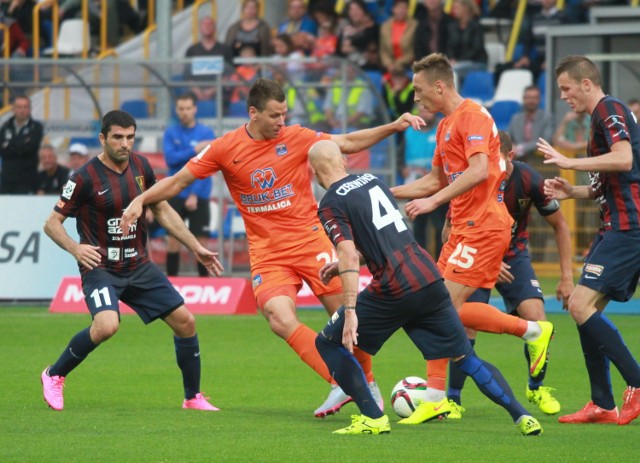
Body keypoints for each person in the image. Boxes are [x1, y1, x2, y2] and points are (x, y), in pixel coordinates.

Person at [120, 78, 426, 418]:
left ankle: (365, 384)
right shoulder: (225, 147)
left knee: (344, 320)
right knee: (279, 319)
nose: (281, 122)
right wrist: (140, 201)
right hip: (268, 253)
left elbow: (348, 142)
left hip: (312, 241)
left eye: (284, 114)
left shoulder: (296, 137)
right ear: (253, 113)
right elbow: (178, 180)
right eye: (275, 115)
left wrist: (395, 125)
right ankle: (346, 382)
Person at [309, 139, 542, 436]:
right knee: (466, 357)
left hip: (393, 286)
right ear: (343, 161)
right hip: (427, 275)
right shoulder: (373, 181)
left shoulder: (329, 203)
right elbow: (384, 239)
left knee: (328, 342)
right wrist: (345, 264)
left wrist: (351, 309)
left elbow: (349, 252)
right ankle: (522, 417)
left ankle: (373, 417)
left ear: (316, 173)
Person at [391, 53, 554, 424]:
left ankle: (530, 331)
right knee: (439, 307)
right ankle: (528, 333)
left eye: (418, 90)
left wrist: (432, 201)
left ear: (439, 85)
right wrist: (385, 192)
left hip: (483, 226)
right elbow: (434, 180)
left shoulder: (474, 116)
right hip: (464, 227)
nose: (416, 98)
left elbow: (479, 170)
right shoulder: (446, 124)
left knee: (437, 308)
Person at [40, 110, 224, 412]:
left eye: (130, 137)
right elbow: (52, 223)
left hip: (138, 266)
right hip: (100, 268)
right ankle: (54, 374)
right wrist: (76, 249)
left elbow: (163, 210)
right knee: (107, 325)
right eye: (117, 137)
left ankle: (192, 398)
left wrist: (195, 246)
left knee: (186, 322)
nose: (125, 144)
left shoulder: (141, 166)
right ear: (103, 139)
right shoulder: (83, 177)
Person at [538, 55, 640, 426]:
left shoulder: (608, 109)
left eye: (566, 88)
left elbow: (625, 159)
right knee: (583, 310)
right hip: (616, 224)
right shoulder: (599, 119)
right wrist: (572, 192)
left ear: (585, 83)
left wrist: (569, 162)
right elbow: (607, 182)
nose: (564, 96)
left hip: (628, 227)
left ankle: (637, 382)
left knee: (581, 306)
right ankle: (602, 402)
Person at [446, 130, 573, 418]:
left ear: (510, 156)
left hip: (513, 256)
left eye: (496, 159)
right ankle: (453, 398)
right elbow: (450, 229)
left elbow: (561, 226)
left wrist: (567, 277)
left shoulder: (530, 180)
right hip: (475, 255)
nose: (490, 166)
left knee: (538, 317)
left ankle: (537, 387)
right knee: (463, 321)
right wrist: (483, 260)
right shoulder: (473, 178)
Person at [162, 92, 217, 277]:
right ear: (177, 110)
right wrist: (195, 149)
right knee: (173, 239)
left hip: (199, 195)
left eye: (188, 108)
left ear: (195, 109)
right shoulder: (171, 133)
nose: (184, 112)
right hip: (175, 194)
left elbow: (207, 166)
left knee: (201, 242)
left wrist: (194, 193)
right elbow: (170, 160)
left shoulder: (206, 133)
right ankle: (171, 284)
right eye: (181, 109)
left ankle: (205, 285)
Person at [401, 108, 447, 257]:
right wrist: (403, 168)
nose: (424, 114)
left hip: (438, 187)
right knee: (418, 227)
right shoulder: (409, 132)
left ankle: (440, 263)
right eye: (421, 111)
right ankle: (420, 262)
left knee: (440, 226)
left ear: (434, 112)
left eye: (428, 111)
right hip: (416, 185)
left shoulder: (441, 131)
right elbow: (399, 154)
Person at [183, 16, 234, 103]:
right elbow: (187, 75)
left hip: (219, 90)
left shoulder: (225, 49)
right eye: (204, 24)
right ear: (200, 28)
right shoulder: (191, 50)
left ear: (214, 28)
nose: (207, 26)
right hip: (196, 91)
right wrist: (196, 90)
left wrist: (213, 90)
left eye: (210, 24)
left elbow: (230, 74)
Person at [0, 95, 44, 194]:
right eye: (19, 107)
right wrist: (22, 143)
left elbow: (30, 148)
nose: (22, 110)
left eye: (25, 107)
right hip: (7, 180)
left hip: (27, 180)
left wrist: (10, 145)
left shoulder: (36, 127)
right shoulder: (5, 127)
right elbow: (3, 151)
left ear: (30, 109)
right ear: (13, 109)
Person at [445, 0, 487, 85]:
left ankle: (456, 95)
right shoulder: (452, 26)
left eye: (456, 8)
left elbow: (476, 49)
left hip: (476, 62)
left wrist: (458, 60)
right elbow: (449, 46)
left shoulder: (476, 26)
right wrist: (451, 58)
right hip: (457, 62)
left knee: (452, 70)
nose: (453, 11)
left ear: (465, 9)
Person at [507, 85, 555, 160]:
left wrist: (521, 148)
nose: (531, 101)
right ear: (524, 99)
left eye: (534, 98)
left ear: (539, 99)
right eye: (529, 97)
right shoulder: (515, 118)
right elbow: (508, 137)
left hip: (539, 160)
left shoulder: (547, 117)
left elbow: (545, 141)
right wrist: (511, 146)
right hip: (517, 160)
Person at [379, 0, 417, 75]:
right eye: (398, 8)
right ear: (393, 9)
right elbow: (383, 50)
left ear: (407, 10)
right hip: (389, 68)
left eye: (404, 8)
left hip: (409, 67)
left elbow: (414, 50)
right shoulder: (385, 26)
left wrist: (398, 64)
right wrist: (389, 64)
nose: (401, 11)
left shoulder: (415, 25)